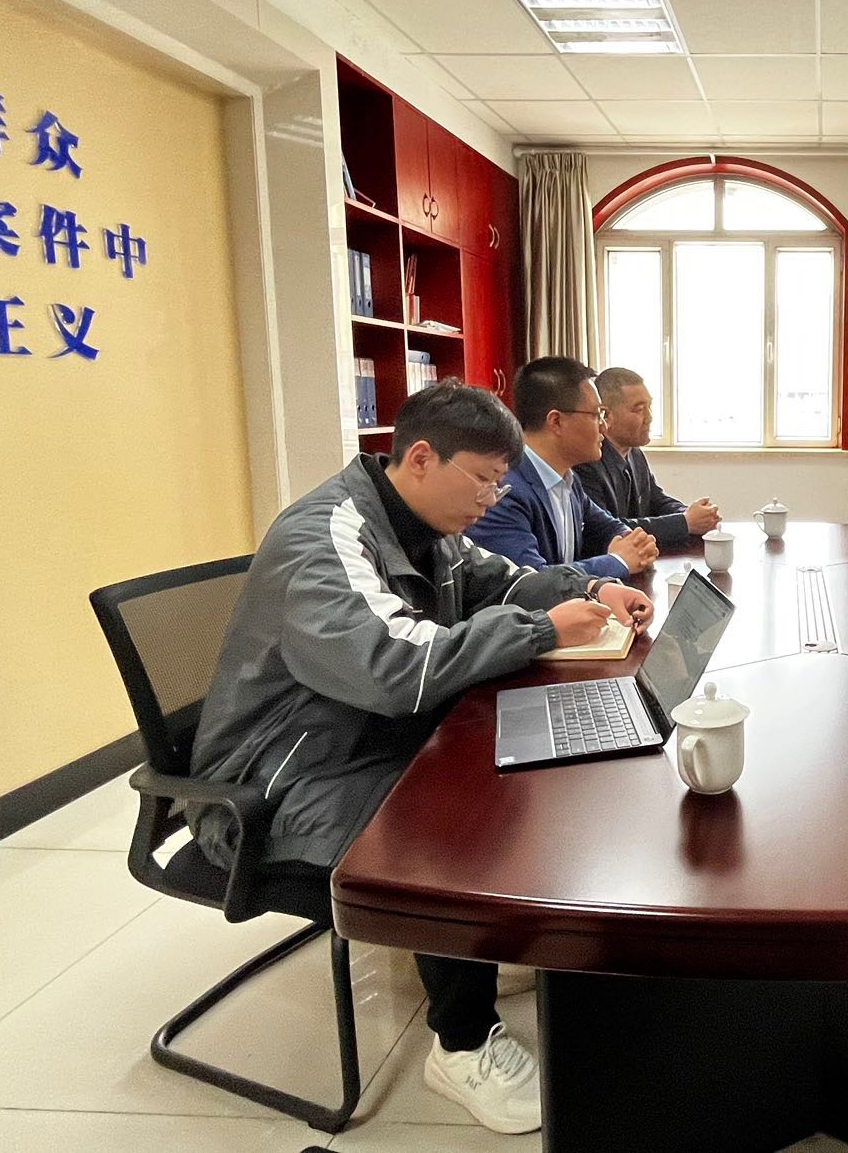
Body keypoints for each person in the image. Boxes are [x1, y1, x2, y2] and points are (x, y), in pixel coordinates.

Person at [188, 380, 653, 1136]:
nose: (491, 499)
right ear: (423, 458)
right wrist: (541, 632)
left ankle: (484, 938)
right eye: (484, 481)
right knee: (453, 829)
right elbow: (391, 667)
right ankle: (462, 1045)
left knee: (513, 772)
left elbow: (504, 580)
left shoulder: (425, 523)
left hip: (365, 740)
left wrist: (593, 585)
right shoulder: (325, 538)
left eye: (501, 483)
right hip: (280, 784)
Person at [469, 357, 660, 580]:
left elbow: (607, 526)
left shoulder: (568, 477)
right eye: (597, 414)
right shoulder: (504, 489)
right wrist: (618, 561)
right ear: (556, 421)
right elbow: (531, 580)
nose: (604, 426)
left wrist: (633, 542)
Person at [574, 366, 720, 547]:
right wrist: (684, 522)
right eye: (639, 409)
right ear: (606, 415)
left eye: (649, 407)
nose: (649, 417)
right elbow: (605, 529)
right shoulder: (586, 462)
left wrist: (693, 514)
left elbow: (657, 501)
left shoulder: (634, 453)